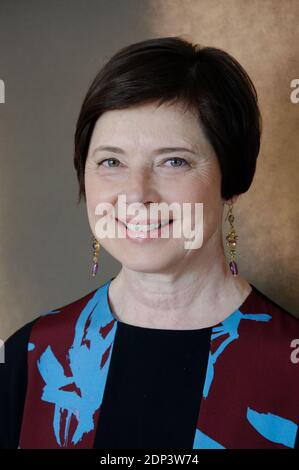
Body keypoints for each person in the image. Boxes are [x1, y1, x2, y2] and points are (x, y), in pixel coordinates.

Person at [1, 36, 298, 450]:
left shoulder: (291, 364)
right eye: (111, 162)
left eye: (173, 161)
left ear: (231, 180)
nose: (137, 195)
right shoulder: (31, 356)